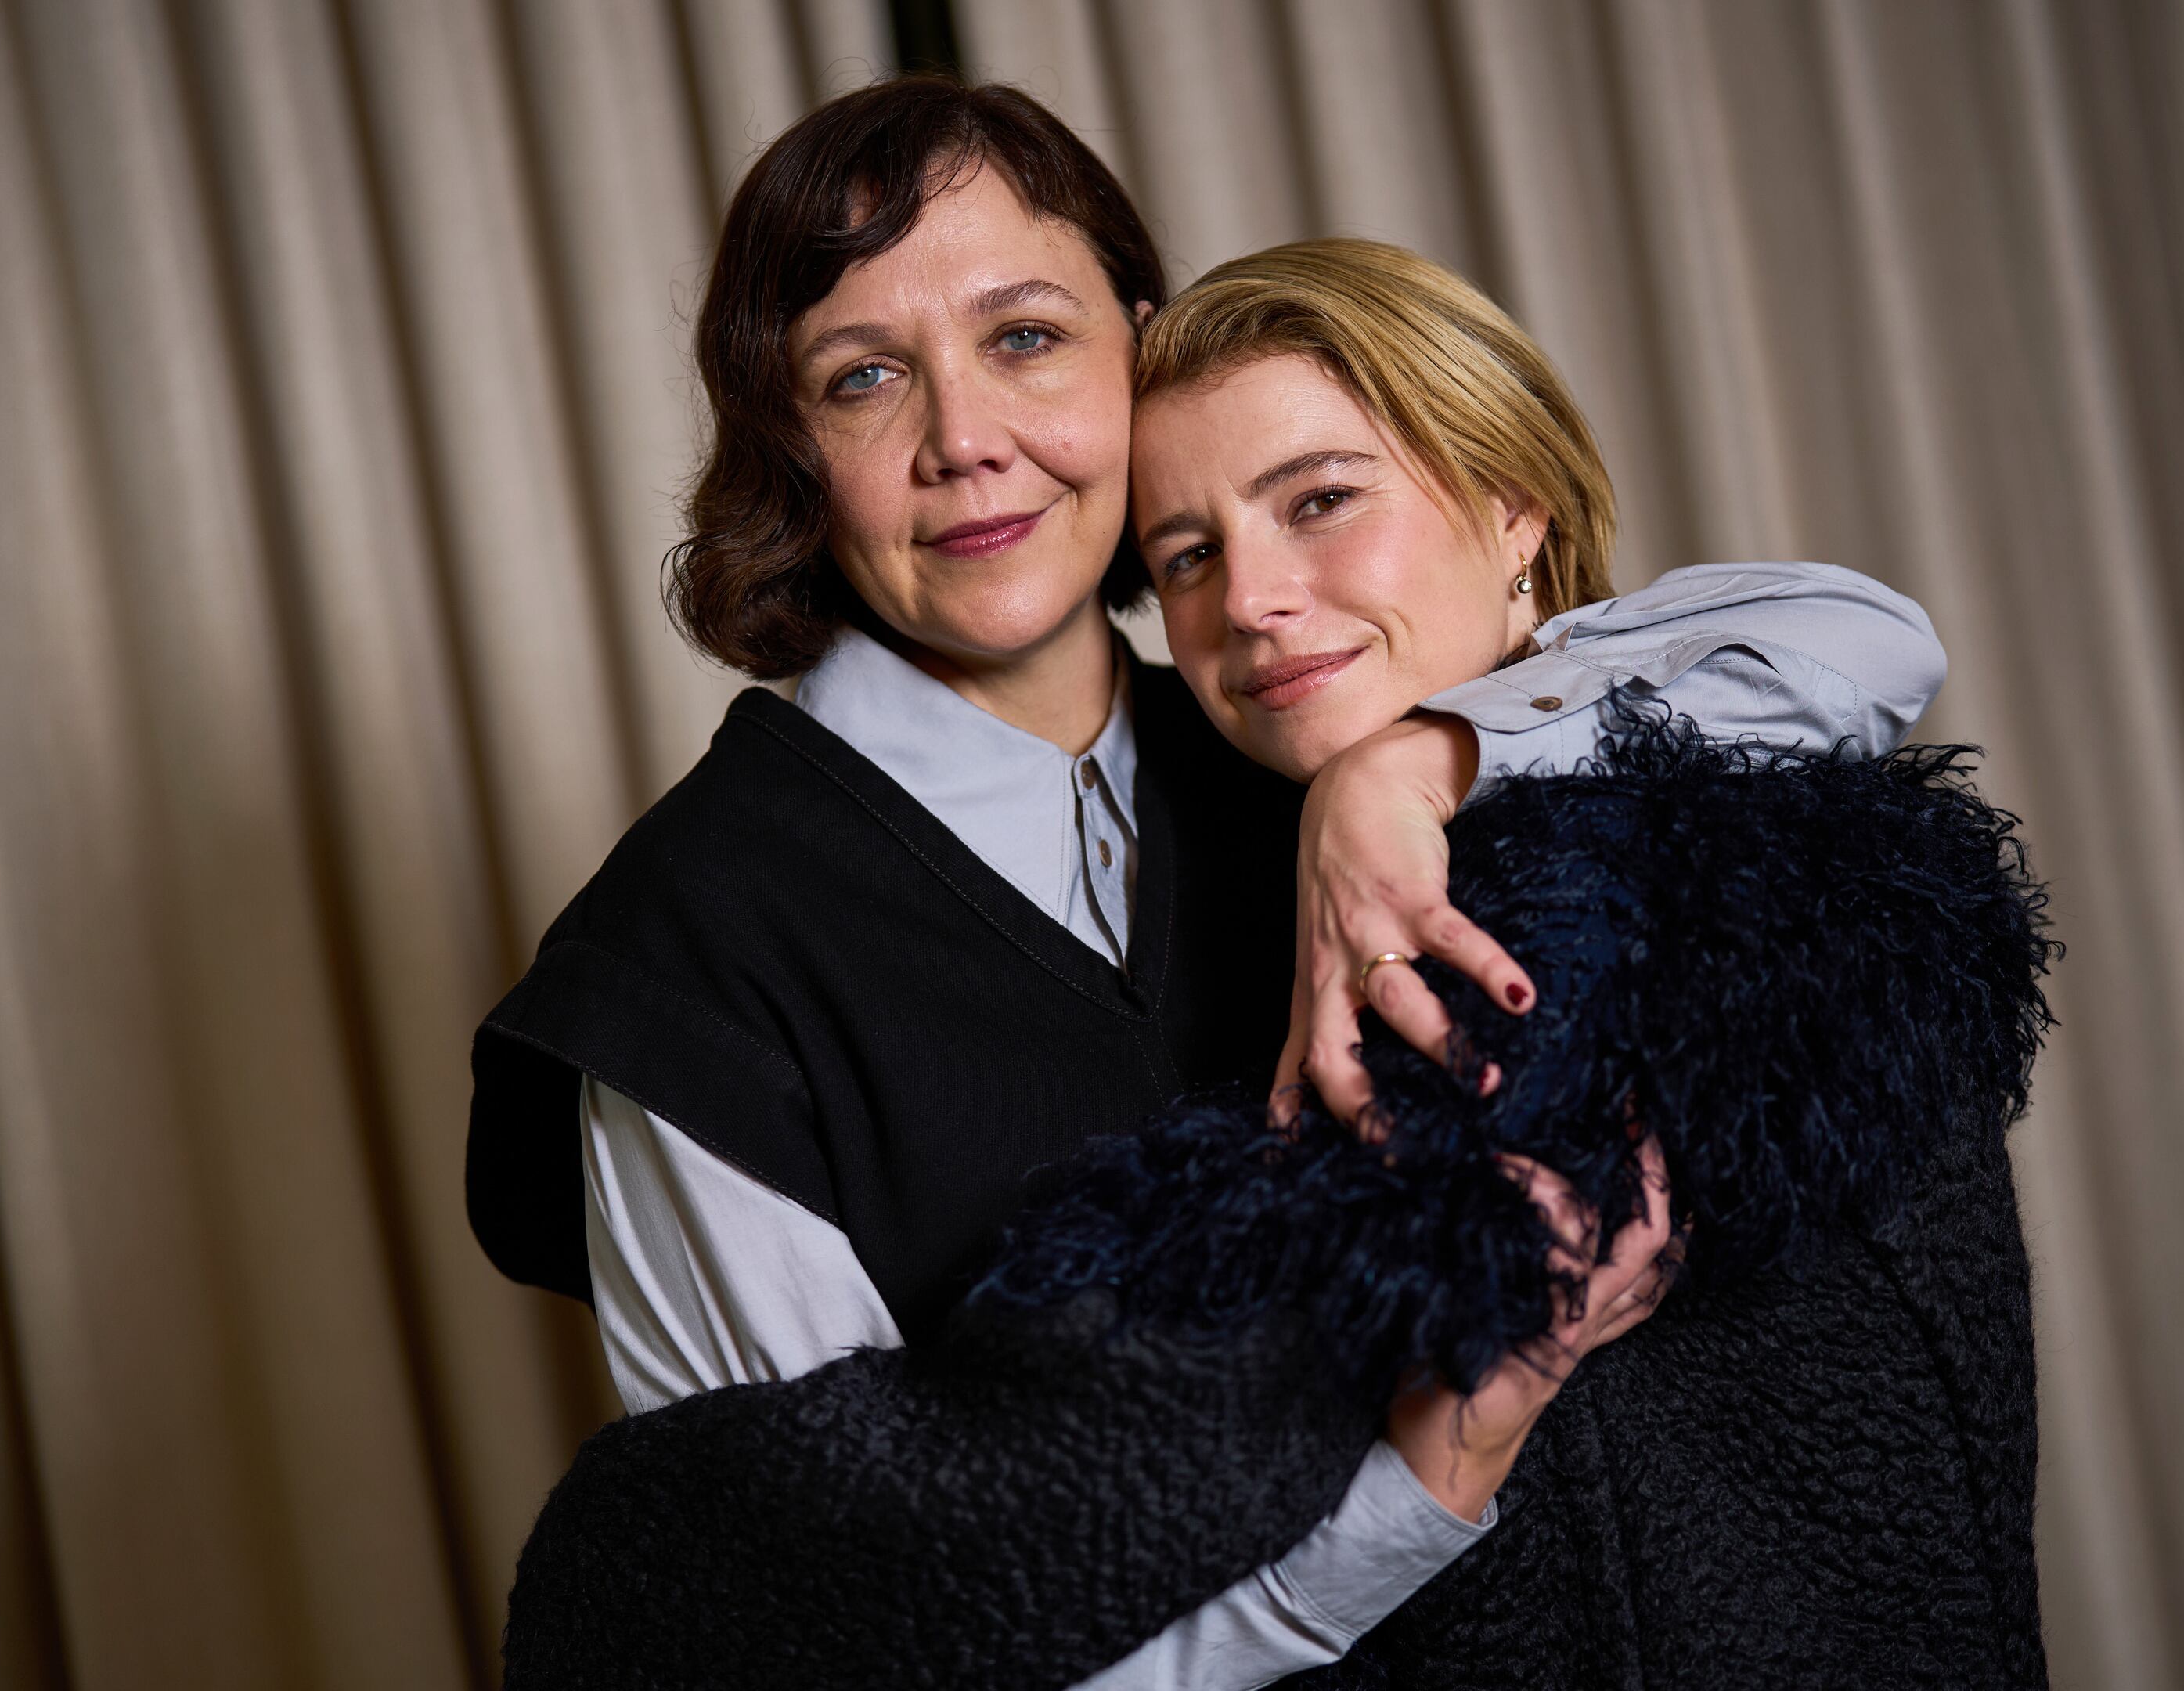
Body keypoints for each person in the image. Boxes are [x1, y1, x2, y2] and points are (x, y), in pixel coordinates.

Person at [472, 79, 1957, 1688]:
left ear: (1135, 344)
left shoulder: (1309, 728)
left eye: (1025, 337)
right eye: (862, 378)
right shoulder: (690, 955)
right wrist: (1390, 1519)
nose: (965, 439)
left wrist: (1421, 762)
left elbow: (1852, 647)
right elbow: (806, 1629)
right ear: (789, 448)